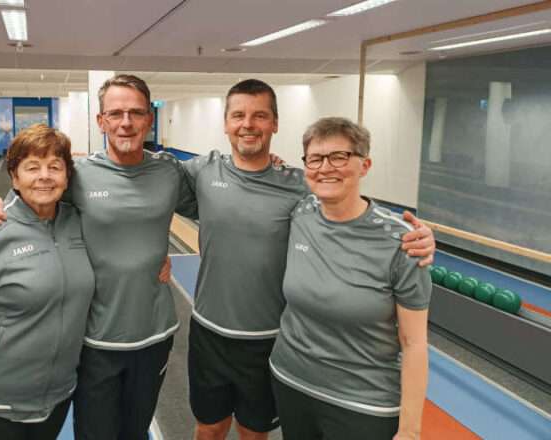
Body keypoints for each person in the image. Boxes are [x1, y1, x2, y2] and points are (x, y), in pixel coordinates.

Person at [180, 80, 435, 440]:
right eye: (238, 115)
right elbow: (149, 196)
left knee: (254, 432)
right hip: (216, 334)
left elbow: (352, 207)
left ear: (275, 124)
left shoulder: (300, 189)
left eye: (260, 116)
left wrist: (420, 237)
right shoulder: (205, 172)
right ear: (225, 123)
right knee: (209, 427)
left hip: (269, 339)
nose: (248, 124)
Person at [0, 74, 196, 440]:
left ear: (149, 120)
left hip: (154, 333)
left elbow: (213, 206)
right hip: (93, 339)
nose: (126, 122)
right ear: (101, 121)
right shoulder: (80, 176)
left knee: (134, 432)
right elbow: (35, 200)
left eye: (136, 113)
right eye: (117, 113)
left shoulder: (168, 171)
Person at [269, 117, 431, 440]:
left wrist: (410, 430)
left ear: (365, 165)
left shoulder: (403, 242)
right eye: (315, 158)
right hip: (292, 382)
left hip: (363, 403)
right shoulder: (300, 212)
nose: (326, 167)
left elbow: (414, 344)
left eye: (339, 157)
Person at [0, 124, 95, 439]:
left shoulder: (78, 224)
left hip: (58, 397)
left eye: (55, 167)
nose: (44, 176)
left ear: (67, 177)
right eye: (32, 167)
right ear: (14, 177)